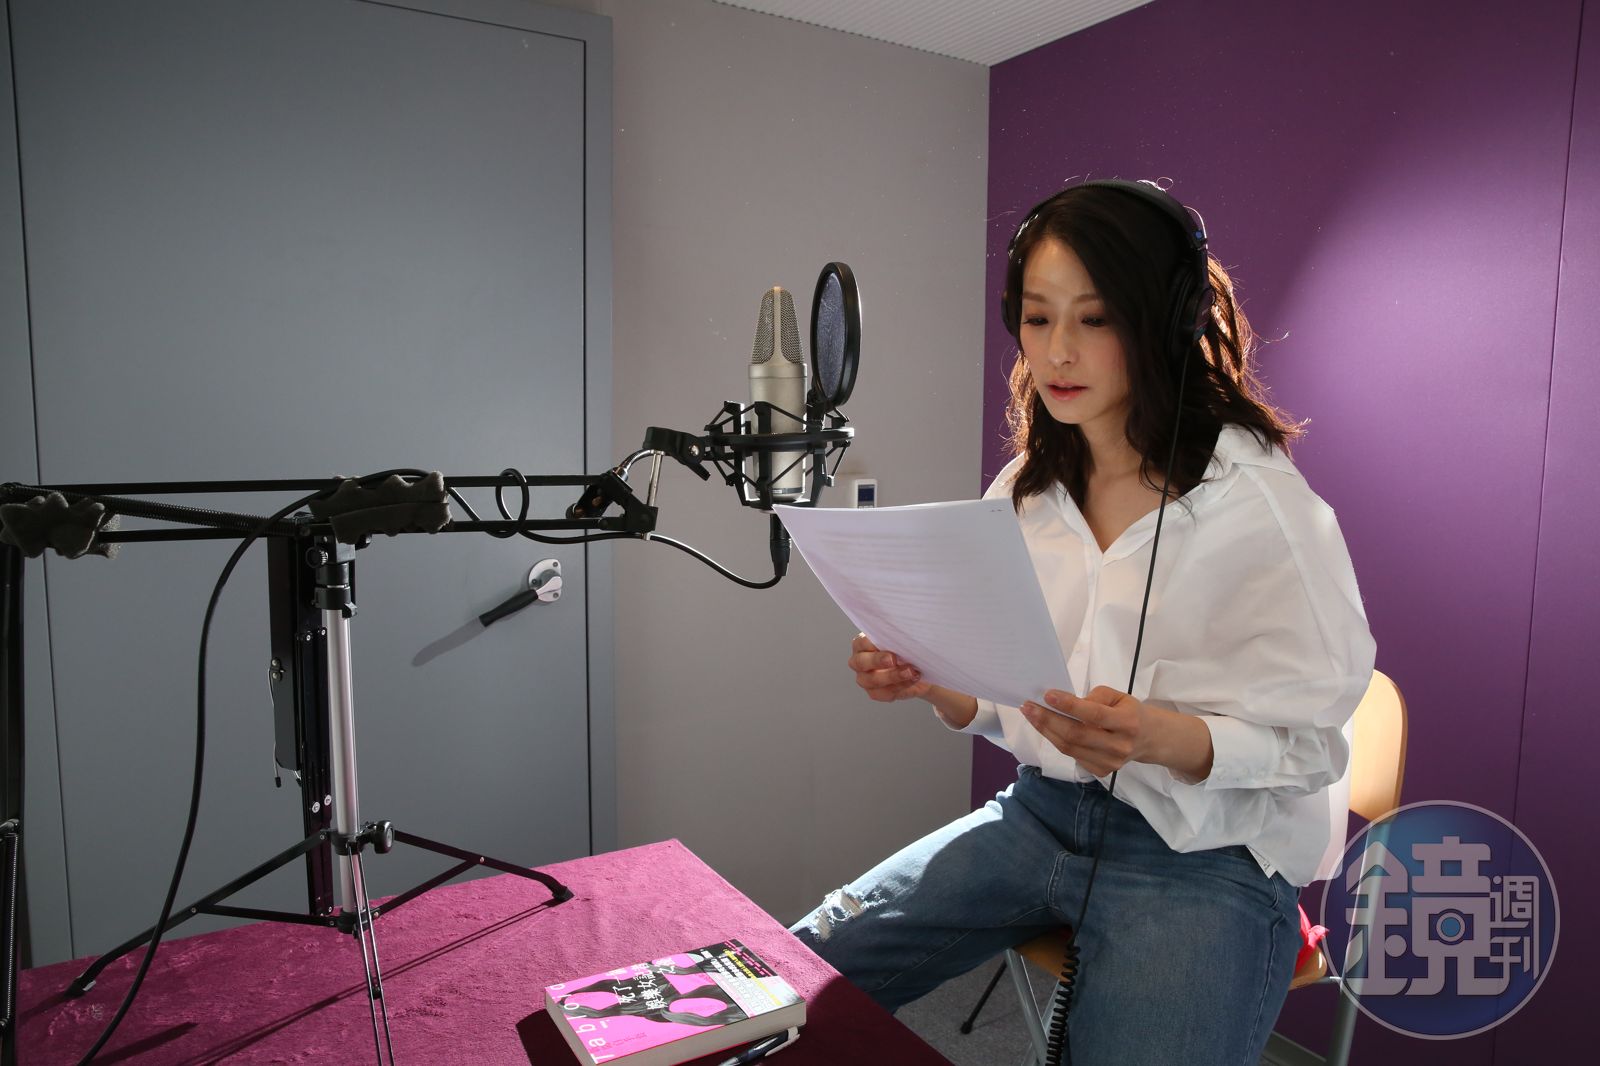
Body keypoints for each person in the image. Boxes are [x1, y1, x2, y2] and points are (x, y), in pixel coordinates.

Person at [788, 179, 1375, 1066]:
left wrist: (1161, 736)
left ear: (1166, 323)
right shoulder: (1026, 491)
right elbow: (1006, 702)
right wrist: (934, 681)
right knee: (783, 987)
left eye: (1095, 319)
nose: (1058, 351)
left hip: (1205, 852)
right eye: (1037, 318)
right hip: (1039, 816)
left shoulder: (1263, 509)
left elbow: (1317, 747)